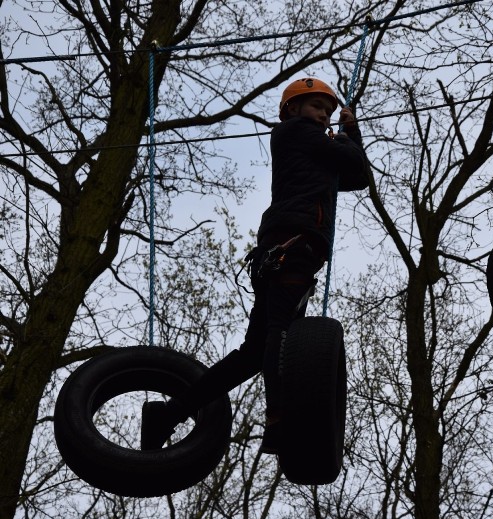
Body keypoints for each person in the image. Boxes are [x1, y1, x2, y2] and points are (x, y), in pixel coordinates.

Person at [141, 77, 370, 453]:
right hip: (292, 244)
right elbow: (350, 161)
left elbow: (358, 177)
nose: (323, 117)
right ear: (293, 109)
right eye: (317, 108)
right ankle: (279, 418)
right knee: (281, 334)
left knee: (254, 352)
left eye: (328, 113)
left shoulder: (317, 149)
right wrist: (347, 132)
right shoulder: (294, 132)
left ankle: (171, 414)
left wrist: (350, 133)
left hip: (289, 246)